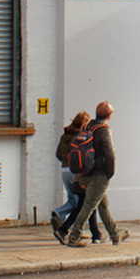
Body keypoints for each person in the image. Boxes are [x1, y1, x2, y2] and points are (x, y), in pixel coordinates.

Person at [64, 100, 127, 247]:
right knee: (89, 205)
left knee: (102, 205)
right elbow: (110, 154)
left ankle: (115, 234)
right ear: (109, 115)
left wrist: (79, 176)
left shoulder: (87, 127)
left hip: (84, 172)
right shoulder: (104, 130)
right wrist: (109, 173)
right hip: (99, 175)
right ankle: (74, 237)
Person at [50, 111, 104, 244]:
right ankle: (67, 227)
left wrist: (66, 161)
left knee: (77, 201)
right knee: (84, 203)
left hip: (64, 170)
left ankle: (92, 233)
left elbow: (58, 154)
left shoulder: (65, 135)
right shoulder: (82, 136)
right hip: (77, 171)